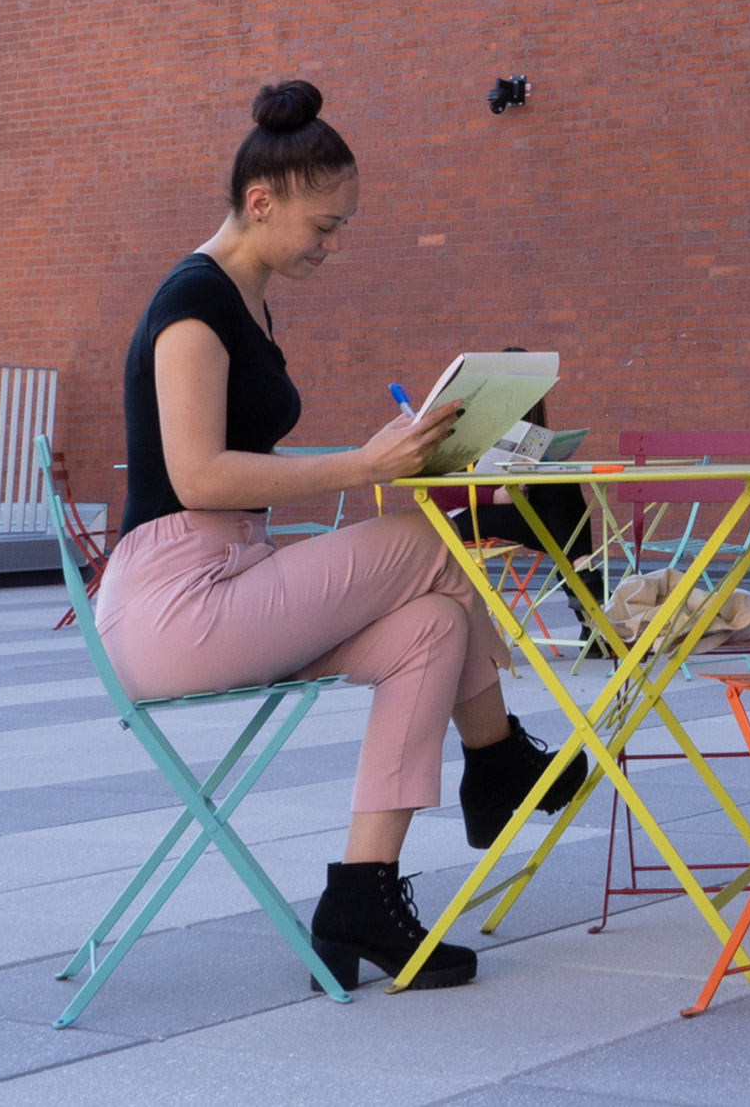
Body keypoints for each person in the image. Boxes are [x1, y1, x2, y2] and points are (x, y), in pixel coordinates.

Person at [91, 81, 578, 991]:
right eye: (323, 225)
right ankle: (498, 759)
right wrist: (367, 465)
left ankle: (363, 893)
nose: (333, 244)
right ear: (262, 202)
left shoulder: (248, 299)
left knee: (431, 627)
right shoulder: (192, 307)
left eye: (342, 225)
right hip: (173, 605)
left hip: (233, 580)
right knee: (429, 542)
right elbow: (196, 476)